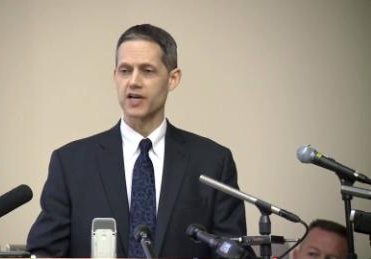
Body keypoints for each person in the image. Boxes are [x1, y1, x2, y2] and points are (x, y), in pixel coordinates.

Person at [26, 24, 248, 258]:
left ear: (173, 78)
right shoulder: (70, 163)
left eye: (147, 70)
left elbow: (231, 251)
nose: (133, 81)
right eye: (124, 70)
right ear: (115, 77)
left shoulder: (212, 162)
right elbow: (45, 252)